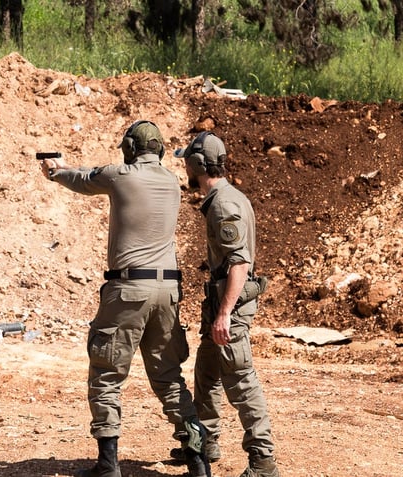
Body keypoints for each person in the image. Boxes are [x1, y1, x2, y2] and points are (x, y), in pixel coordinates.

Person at [39, 121, 210, 477]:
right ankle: (197, 459)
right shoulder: (171, 182)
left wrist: (56, 172)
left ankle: (108, 463)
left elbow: (85, 180)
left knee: (106, 373)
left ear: (130, 147)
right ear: (160, 149)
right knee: (167, 375)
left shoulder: (119, 175)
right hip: (168, 291)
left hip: (128, 289)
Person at [177, 131, 280, 477]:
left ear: (197, 165)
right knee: (206, 372)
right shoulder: (225, 197)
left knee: (241, 380)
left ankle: (263, 461)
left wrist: (224, 313)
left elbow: (239, 264)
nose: (186, 168)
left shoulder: (223, 204)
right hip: (221, 302)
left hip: (230, 307)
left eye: (188, 162)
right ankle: (205, 443)